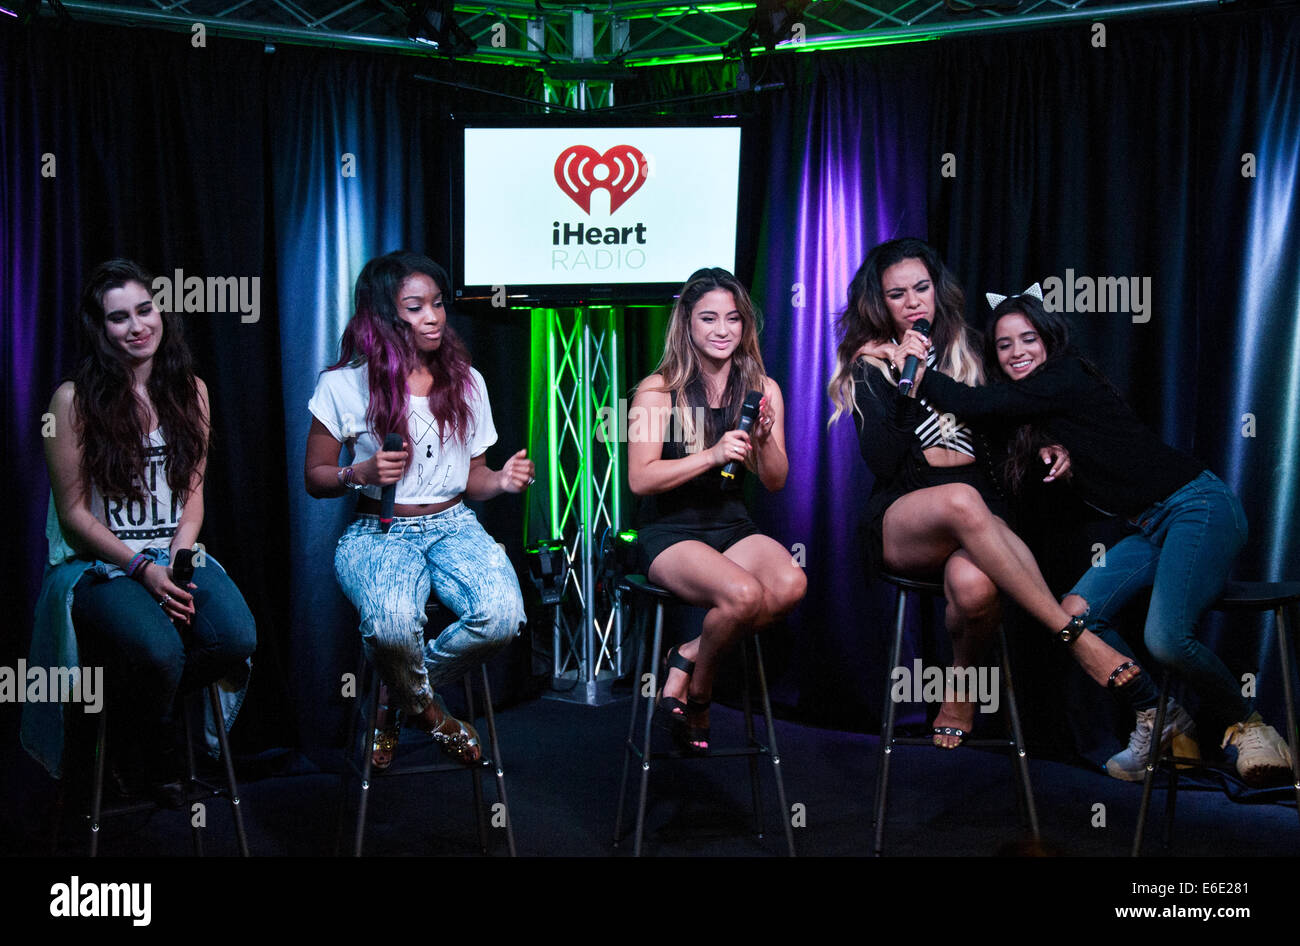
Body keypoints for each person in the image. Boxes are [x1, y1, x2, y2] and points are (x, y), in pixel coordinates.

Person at [902, 287, 1294, 784]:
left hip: (1198, 505)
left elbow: (975, 403)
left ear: (1049, 341)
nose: (1017, 351)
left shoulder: (1065, 376)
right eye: (1003, 345)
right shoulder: (1036, 420)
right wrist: (1062, 465)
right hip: (1151, 527)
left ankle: (1251, 724)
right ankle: (1161, 716)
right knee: (1076, 615)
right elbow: (1058, 507)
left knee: (1168, 638)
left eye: (1028, 339)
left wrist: (913, 368)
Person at [828, 238, 1140, 749]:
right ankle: (1074, 636)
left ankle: (962, 685)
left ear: (938, 290)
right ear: (878, 302)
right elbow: (882, 462)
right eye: (897, 293)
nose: (913, 302)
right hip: (908, 517)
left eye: (921, 288)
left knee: (975, 589)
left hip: (980, 515)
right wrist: (906, 380)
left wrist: (1051, 444)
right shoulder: (873, 366)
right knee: (959, 501)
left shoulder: (974, 348)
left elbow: (1017, 411)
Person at [25, 259, 256, 796]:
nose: (137, 326)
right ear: (98, 329)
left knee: (235, 637)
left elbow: (192, 499)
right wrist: (142, 570)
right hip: (99, 565)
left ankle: (134, 732)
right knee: (159, 651)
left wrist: (177, 558)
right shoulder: (72, 400)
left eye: (145, 309)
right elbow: (74, 517)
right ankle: (145, 753)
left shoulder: (190, 390)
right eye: (119, 317)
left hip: (171, 551)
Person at [305, 251, 530, 766]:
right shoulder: (343, 384)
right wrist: (356, 474)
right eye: (415, 307)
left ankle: (393, 699)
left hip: (453, 524)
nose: (433, 316)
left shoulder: (468, 382)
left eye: (437, 304)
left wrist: (500, 480)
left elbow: (474, 479)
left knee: (502, 617)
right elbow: (315, 478)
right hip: (380, 528)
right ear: (384, 316)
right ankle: (431, 715)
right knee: (388, 626)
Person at [627, 267, 806, 753]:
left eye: (732, 319)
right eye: (709, 319)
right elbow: (640, 479)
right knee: (744, 596)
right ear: (686, 323)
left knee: (792, 583)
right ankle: (702, 697)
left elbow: (775, 480)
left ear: (745, 326)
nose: (722, 330)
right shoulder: (657, 389)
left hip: (731, 525)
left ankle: (686, 658)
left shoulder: (764, 389)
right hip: (671, 531)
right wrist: (710, 454)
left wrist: (764, 442)